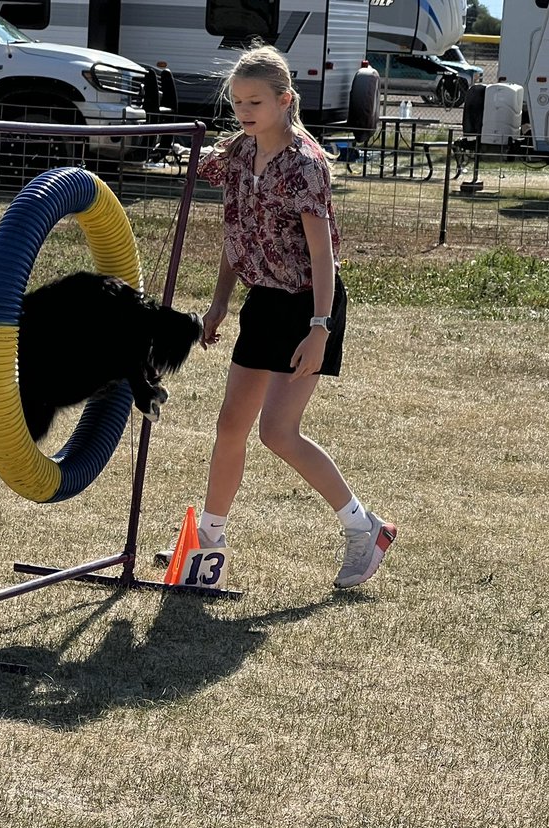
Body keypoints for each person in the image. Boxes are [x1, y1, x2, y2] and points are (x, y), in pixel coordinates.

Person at [192, 43, 396, 589]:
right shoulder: (238, 155)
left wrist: (319, 329)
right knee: (229, 425)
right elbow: (237, 236)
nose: (244, 111)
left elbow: (324, 254)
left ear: (285, 100)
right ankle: (208, 542)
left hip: (310, 305)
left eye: (255, 101)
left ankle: (364, 528)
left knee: (278, 432)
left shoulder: (306, 165)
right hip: (263, 300)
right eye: (236, 102)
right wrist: (219, 302)